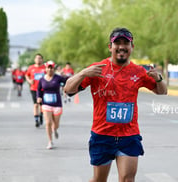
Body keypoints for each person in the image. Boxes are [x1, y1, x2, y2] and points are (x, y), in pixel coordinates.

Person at [64, 27, 167, 182]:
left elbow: (162, 91)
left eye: (126, 43)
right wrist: (83, 73)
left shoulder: (139, 71)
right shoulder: (97, 69)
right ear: (110, 46)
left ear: (132, 47)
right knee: (99, 180)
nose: (121, 46)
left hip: (129, 135)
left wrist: (158, 79)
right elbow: (68, 90)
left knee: (127, 179)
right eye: (117, 43)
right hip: (102, 135)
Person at [37, 61, 68, 149]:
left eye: (51, 68)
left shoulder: (58, 78)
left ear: (54, 69)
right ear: (46, 69)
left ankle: (55, 130)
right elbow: (39, 89)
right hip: (46, 104)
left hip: (57, 104)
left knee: (56, 124)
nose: (50, 69)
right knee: (48, 123)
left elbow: (68, 80)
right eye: (48, 68)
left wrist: (65, 76)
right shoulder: (42, 79)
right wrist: (39, 97)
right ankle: (50, 141)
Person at [25, 53, 46, 127]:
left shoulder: (45, 68)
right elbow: (26, 75)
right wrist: (29, 81)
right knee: (35, 105)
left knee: (42, 105)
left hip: (44, 89)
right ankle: (36, 120)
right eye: (37, 58)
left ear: (42, 59)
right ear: (34, 60)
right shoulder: (31, 68)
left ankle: (41, 116)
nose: (38, 59)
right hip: (34, 88)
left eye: (40, 58)